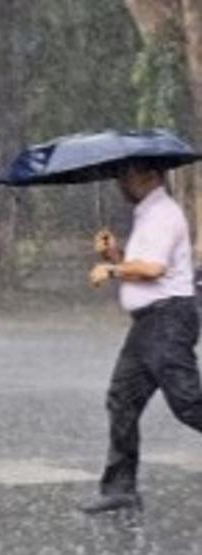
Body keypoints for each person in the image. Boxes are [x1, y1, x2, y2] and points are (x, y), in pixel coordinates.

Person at [83, 160, 202, 514]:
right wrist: (114, 254)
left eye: (125, 176)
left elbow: (154, 269)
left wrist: (111, 268)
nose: (121, 183)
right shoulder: (147, 215)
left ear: (147, 176)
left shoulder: (163, 214)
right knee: (122, 399)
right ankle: (120, 488)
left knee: (189, 404)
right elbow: (142, 266)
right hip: (149, 325)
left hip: (167, 320)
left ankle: (120, 486)